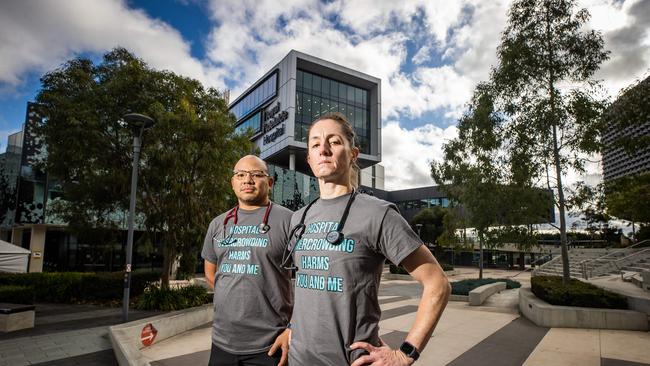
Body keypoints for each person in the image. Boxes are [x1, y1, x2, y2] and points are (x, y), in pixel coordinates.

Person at [286, 113, 451, 365]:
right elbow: (305, 290)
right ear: (309, 159)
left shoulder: (377, 213)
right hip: (298, 359)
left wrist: (405, 353)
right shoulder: (299, 218)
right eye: (316, 144)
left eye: (335, 141)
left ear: (353, 154)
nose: (324, 149)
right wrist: (290, 327)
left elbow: (437, 284)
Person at [201, 155, 293, 366]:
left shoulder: (289, 221)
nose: (247, 180)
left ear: (269, 182)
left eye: (256, 175)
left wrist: (292, 328)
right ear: (233, 183)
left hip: (271, 345)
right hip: (222, 342)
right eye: (240, 175)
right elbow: (210, 272)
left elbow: (309, 282)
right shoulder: (218, 224)